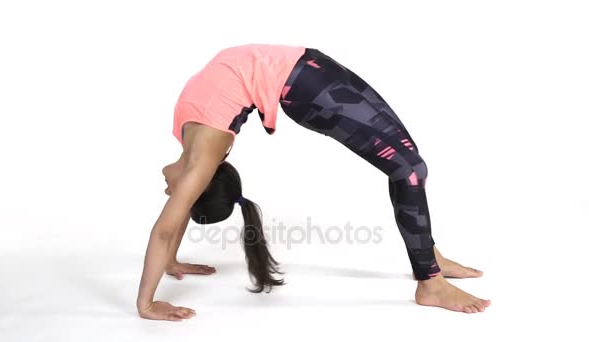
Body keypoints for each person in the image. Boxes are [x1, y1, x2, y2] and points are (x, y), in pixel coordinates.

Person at [136, 44, 491, 321]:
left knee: (410, 162)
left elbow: (174, 218)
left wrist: (170, 264)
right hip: (304, 84)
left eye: (177, 194)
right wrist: (149, 303)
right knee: (409, 170)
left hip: (307, 66)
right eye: (180, 195)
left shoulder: (191, 142)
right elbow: (168, 224)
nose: (169, 192)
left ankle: (428, 256)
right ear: (199, 186)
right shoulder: (199, 156)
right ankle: (430, 284)